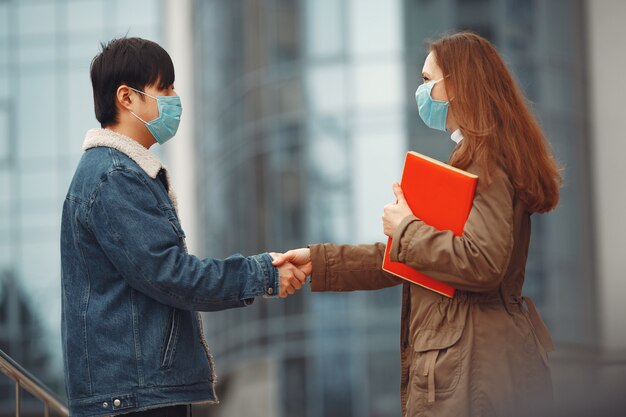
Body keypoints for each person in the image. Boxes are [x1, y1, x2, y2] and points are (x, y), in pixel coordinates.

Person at [273, 31, 562, 417]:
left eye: (428, 81)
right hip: (473, 363)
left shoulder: (485, 158)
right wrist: (319, 260)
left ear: (458, 84)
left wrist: (406, 226)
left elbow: (483, 263)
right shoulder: (475, 157)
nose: (421, 91)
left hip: (474, 370)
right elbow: (412, 259)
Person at [60, 37, 309, 417]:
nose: (175, 98)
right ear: (126, 98)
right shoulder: (114, 177)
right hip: (135, 397)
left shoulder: (118, 173)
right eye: (165, 88)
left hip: (135, 392)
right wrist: (262, 274)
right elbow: (170, 274)